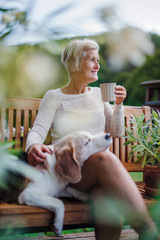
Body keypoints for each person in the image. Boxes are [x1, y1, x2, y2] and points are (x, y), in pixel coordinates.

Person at [26, 39, 159, 240]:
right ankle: (149, 232)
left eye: (98, 60)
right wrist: (33, 145)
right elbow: (38, 129)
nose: (98, 65)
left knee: (104, 197)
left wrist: (119, 105)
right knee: (103, 159)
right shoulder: (54, 96)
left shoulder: (99, 95)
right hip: (68, 171)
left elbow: (115, 132)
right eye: (92, 60)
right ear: (75, 63)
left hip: (98, 174)